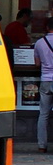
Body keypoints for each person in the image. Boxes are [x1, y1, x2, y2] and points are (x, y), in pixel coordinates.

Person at [34, 17, 53, 153]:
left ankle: (42, 145)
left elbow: (37, 64)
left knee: (43, 114)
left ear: (47, 28)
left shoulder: (39, 43)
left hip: (46, 80)